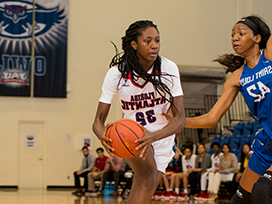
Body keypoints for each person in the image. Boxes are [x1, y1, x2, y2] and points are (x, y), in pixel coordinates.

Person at [92, 20, 185, 204]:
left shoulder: (168, 68)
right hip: (132, 136)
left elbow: (180, 120)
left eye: (157, 40)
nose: (154, 45)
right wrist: (102, 135)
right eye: (148, 41)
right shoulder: (117, 73)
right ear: (134, 44)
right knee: (148, 179)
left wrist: (154, 136)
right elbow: (98, 120)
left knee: (143, 185)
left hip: (163, 136)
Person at [185, 15, 272, 204]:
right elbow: (212, 118)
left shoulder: (269, 56)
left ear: (257, 38)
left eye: (241, 33)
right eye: (232, 35)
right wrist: (179, 121)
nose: (235, 38)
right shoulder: (237, 77)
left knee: (262, 191)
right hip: (267, 141)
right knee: (240, 200)